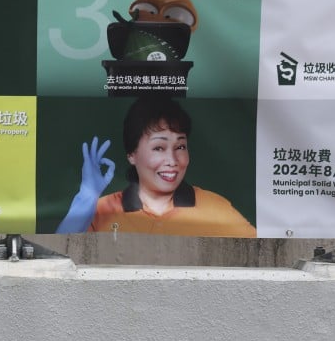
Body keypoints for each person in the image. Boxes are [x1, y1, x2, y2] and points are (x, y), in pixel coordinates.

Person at [56, 96, 256, 237]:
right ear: (132, 154)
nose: (172, 160)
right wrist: (87, 196)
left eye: (180, 146)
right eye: (159, 148)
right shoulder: (100, 210)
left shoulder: (214, 208)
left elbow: (259, 255)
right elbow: (58, 256)